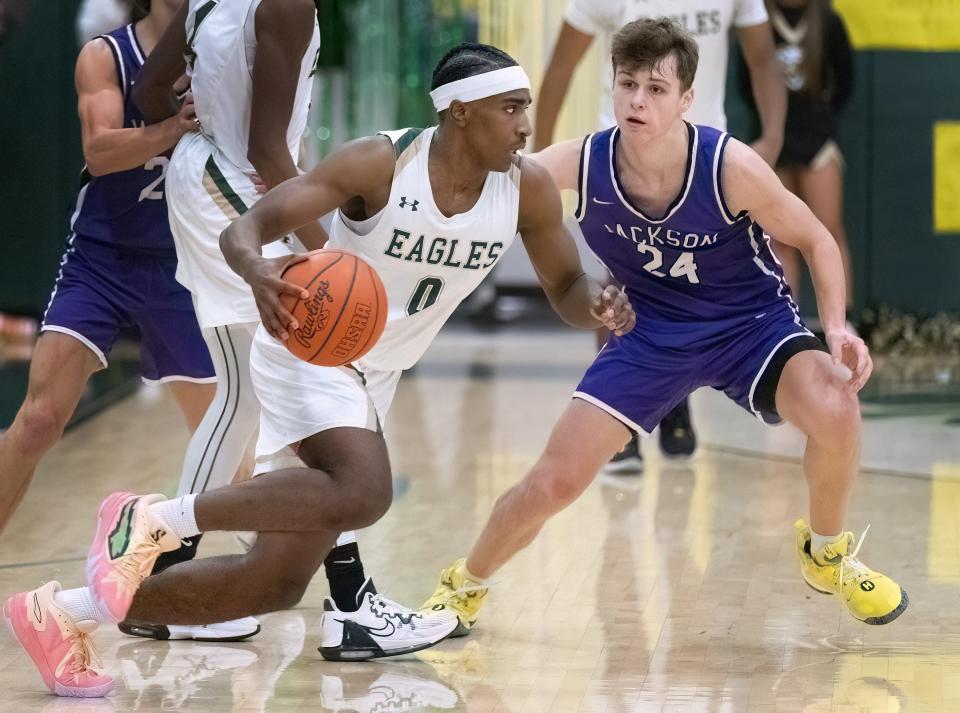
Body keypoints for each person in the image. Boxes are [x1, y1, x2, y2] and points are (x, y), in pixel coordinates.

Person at [1, 42, 636, 696]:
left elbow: (565, 285)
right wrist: (256, 270)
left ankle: (64, 612)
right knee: (366, 489)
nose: (526, 124)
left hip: (375, 375)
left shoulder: (525, 187)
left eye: (525, 108)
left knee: (273, 581)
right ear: (462, 113)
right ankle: (155, 520)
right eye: (510, 108)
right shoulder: (380, 163)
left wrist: (600, 304)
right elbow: (246, 229)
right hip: (311, 348)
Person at [423, 18, 907, 638]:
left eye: (656, 88)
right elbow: (489, 191)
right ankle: (462, 586)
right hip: (650, 333)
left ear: (686, 100)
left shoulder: (728, 166)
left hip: (748, 325)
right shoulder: (582, 161)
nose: (637, 101)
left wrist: (837, 328)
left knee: (835, 400)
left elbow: (815, 237)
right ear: (613, 87)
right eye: (627, 84)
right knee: (557, 478)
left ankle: (828, 551)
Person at [124, 0, 382, 643]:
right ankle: (161, 578)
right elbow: (269, 149)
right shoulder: (287, 5)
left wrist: (201, 124)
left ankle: (158, 579)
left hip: (202, 179)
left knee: (251, 396)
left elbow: (151, 90)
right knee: (284, 392)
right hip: (239, 191)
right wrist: (334, 253)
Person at [535, 0, 788, 473]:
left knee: (692, 283)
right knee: (622, 280)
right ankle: (621, 426)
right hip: (626, 149)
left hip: (703, 159)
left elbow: (762, 59)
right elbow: (562, 64)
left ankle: (674, 399)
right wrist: (540, 162)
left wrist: (772, 136)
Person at [0, 1, 217, 537]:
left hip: (181, 268)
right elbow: (99, 151)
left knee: (220, 437)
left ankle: (270, 571)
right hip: (102, 260)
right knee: (39, 421)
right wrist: (174, 127)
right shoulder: (106, 53)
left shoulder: (223, 55)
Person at [739, 0, 854, 313]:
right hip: (773, 140)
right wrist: (770, 128)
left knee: (828, 230)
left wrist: (819, 116)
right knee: (779, 237)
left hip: (818, 140)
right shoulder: (756, 19)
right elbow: (745, 83)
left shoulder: (827, 21)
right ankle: (788, 322)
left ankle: (843, 322)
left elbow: (845, 83)